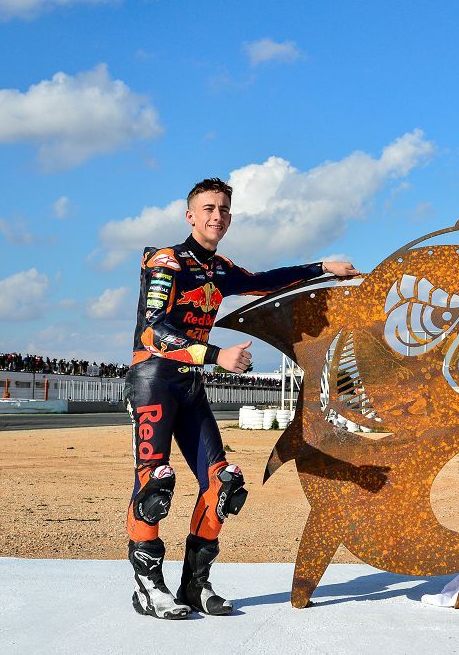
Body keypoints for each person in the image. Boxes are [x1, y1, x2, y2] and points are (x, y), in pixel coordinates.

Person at [123, 177, 358, 619]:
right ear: (190, 215)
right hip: (154, 380)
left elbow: (264, 281)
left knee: (223, 484)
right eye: (209, 208)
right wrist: (216, 355)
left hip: (190, 384)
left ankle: (194, 585)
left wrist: (323, 267)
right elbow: (152, 332)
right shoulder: (166, 261)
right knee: (155, 482)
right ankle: (148, 588)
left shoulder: (220, 268)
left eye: (224, 210)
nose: (218, 216)